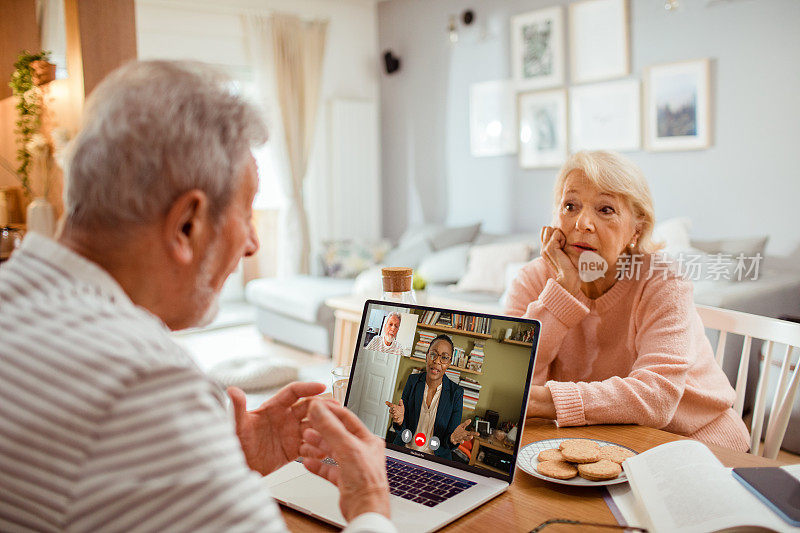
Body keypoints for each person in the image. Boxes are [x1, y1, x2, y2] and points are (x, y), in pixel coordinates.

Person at [0, 60, 394, 532]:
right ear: (187, 223)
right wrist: (369, 498)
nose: (253, 244)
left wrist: (224, 457)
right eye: (246, 215)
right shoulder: (141, 385)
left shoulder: (18, 292)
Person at [505, 150, 750, 452]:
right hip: (598, 440)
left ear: (637, 227)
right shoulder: (531, 280)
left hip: (693, 438)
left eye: (605, 209)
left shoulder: (662, 279)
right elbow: (510, 381)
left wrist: (545, 400)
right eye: (570, 206)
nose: (582, 222)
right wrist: (563, 292)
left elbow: (656, 397)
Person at [385, 335, 479, 459]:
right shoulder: (412, 381)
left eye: (444, 358)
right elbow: (401, 428)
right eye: (433, 354)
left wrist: (452, 439)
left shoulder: (456, 393)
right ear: (427, 356)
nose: (437, 361)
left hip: (435, 458)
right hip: (405, 451)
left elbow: (450, 438)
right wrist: (400, 421)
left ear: (449, 363)